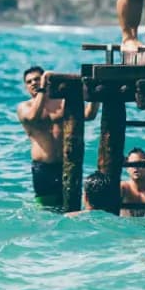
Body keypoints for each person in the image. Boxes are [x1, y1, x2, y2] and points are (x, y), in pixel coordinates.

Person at [17, 66, 99, 206]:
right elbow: (33, 117)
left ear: (46, 81)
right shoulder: (24, 107)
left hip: (66, 164)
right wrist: (42, 89)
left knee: (70, 206)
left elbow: (88, 115)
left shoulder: (62, 103)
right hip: (43, 167)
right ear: (26, 87)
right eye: (29, 82)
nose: (33, 83)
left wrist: (95, 94)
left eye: (37, 79)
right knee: (45, 209)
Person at [120, 147, 145, 217]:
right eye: (131, 164)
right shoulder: (124, 187)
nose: (135, 167)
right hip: (128, 226)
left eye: (139, 164)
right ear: (127, 168)